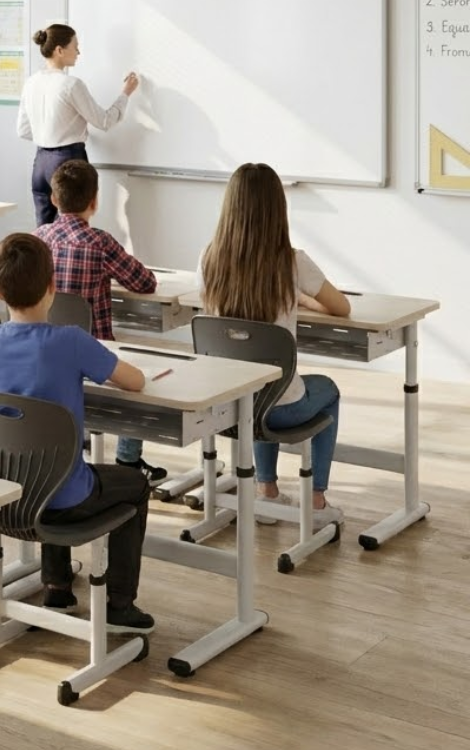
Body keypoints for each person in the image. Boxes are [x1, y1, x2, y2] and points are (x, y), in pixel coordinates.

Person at [0, 233, 153, 631]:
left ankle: (57, 586)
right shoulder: (71, 341)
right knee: (135, 484)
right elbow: (136, 381)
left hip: (4, 494)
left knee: (43, 459)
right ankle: (120, 604)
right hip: (63, 500)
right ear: (53, 287)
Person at [198, 163, 349, 528]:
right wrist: (303, 299)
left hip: (227, 406)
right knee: (326, 390)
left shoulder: (209, 259)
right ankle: (316, 500)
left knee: (256, 386)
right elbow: (342, 307)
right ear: (278, 209)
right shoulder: (292, 262)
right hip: (279, 410)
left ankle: (267, 490)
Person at [35, 159, 166, 484]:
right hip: (94, 355)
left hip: (47, 355)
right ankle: (128, 462)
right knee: (137, 380)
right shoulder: (99, 243)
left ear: (54, 199)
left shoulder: (38, 239)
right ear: (94, 201)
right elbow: (145, 283)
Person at [17, 23, 139, 226]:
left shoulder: (31, 83)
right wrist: (126, 93)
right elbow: (104, 121)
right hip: (68, 162)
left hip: (40, 163)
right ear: (59, 50)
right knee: (73, 229)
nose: (78, 52)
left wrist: (48, 135)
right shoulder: (71, 84)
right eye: (75, 46)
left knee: (43, 233)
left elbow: (22, 130)